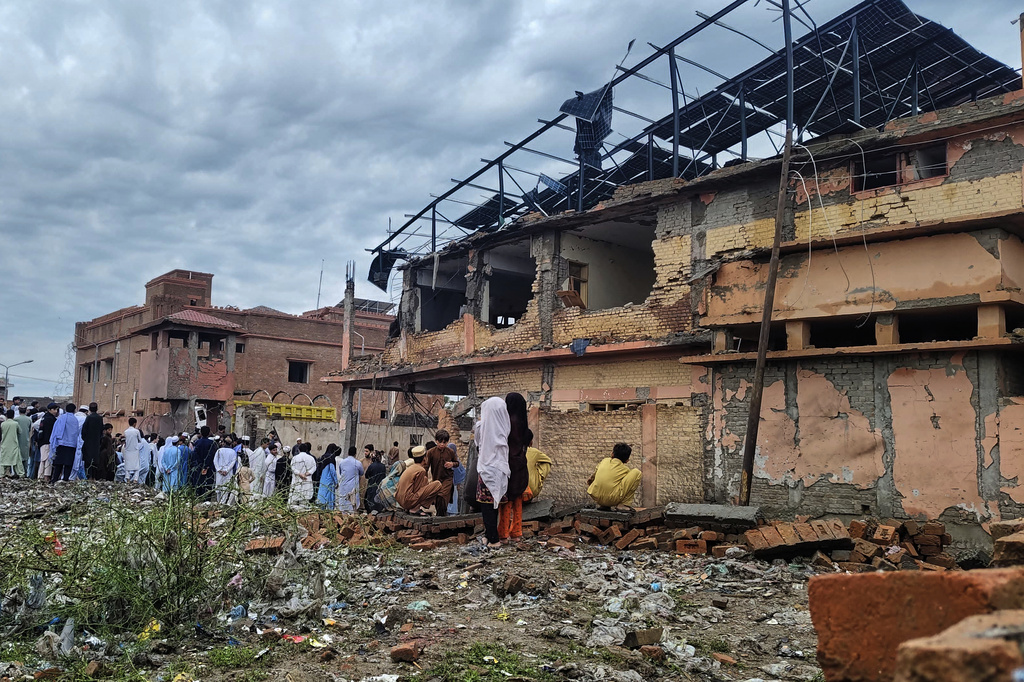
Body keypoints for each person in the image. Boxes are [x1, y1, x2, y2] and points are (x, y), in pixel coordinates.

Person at [475, 397, 510, 547]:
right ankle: (492, 536)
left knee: (486, 506)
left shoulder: (480, 426)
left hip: (486, 468)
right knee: (495, 505)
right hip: (501, 468)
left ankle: (492, 538)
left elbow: (478, 443)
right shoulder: (505, 425)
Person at [500, 393, 531, 542]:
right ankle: (516, 533)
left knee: (505, 502)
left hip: (508, 465)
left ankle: (503, 534)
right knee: (517, 501)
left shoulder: (507, 423)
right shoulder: (523, 423)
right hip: (521, 466)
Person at [587, 443, 642, 509]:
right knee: (637, 472)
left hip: (595, 496)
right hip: (612, 499)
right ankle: (624, 505)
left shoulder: (604, 461)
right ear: (627, 460)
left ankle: (604, 506)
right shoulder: (625, 470)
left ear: (612, 454)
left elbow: (592, 478)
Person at [396, 445, 444, 515]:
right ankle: (415, 508)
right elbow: (417, 488)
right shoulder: (421, 470)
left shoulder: (411, 467)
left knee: (425, 480)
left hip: (400, 501)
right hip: (408, 501)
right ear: (424, 458)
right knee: (437, 484)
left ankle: (412, 507)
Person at [423, 429, 459, 516]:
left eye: (444, 442)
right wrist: (424, 478)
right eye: (440, 442)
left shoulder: (450, 452)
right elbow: (426, 467)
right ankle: (441, 516)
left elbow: (457, 463)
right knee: (438, 498)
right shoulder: (431, 452)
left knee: (442, 495)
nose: (442, 444)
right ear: (436, 441)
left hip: (448, 478)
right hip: (437, 478)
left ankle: (441, 517)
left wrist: (452, 464)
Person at [49, 404, 81, 483]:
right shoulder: (75, 420)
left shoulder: (61, 418)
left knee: (58, 463)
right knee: (68, 463)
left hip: (61, 443)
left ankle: (55, 478)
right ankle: (66, 478)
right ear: (74, 410)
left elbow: (56, 430)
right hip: (72, 444)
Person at [524, 428, 553, 501]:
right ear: (531, 442)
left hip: (511, 490)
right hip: (529, 490)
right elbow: (548, 461)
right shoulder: (533, 452)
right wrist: (540, 474)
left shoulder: (509, 451)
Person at [336, 446, 364, 513]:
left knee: (343, 503)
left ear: (348, 453)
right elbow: (362, 473)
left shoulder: (342, 462)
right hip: (353, 486)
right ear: (355, 454)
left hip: (344, 485)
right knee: (352, 503)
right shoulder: (358, 463)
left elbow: (340, 472)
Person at [288, 443, 316, 509]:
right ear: (306, 450)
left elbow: (292, 467)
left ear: (299, 450)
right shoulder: (311, 458)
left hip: (297, 480)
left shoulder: (295, 458)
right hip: (307, 479)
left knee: (294, 499)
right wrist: (308, 473)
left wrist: (299, 474)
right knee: (304, 500)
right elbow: (314, 467)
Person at [191, 426, 216, 496]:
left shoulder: (197, 442)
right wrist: (206, 465)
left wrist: (201, 464)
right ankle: (207, 498)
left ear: (201, 433)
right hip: (209, 467)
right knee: (208, 483)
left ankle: (198, 495)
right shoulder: (212, 443)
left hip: (199, 466)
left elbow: (195, 454)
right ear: (209, 433)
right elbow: (211, 455)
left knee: (199, 482)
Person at [213, 438, 239, 505]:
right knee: (225, 489)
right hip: (227, 473)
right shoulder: (233, 452)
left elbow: (215, 461)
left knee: (219, 488)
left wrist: (219, 470)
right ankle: (223, 503)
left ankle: (219, 502)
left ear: (224, 443)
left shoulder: (219, 450)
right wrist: (226, 470)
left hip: (220, 472)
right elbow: (233, 463)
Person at [81, 403, 103, 479]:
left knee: (88, 460)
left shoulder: (88, 418)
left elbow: (84, 430)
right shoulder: (100, 418)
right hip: (96, 442)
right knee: (95, 460)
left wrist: (85, 439)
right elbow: (101, 431)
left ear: (89, 409)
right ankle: (94, 477)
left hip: (88, 442)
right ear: (97, 409)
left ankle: (88, 476)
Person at [38, 403, 58, 481]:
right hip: (48, 441)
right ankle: (46, 476)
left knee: (43, 459)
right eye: (54, 409)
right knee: (48, 459)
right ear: (49, 410)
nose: (55, 411)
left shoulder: (44, 417)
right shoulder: (51, 419)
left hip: (42, 441)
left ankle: (40, 476)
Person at [0, 409, 24, 477]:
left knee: (3, 459)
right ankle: (20, 473)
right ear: (13, 416)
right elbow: (20, 432)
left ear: (6, 415)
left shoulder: (3, 424)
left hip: (4, 443)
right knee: (17, 460)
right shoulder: (15, 423)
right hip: (14, 444)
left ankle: (2, 473)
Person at [122, 417, 142, 483]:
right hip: (135, 450)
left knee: (127, 465)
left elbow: (125, 441)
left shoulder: (126, 432)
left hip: (128, 450)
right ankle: (135, 480)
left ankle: (127, 479)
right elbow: (140, 440)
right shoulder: (136, 431)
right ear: (134, 424)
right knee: (137, 466)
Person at [14, 408, 30, 476]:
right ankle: (25, 473)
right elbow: (30, 431)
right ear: (26, 410)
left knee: (17, 457)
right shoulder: (29, 419)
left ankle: (16, 473)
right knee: (25, 458)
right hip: (26, 441)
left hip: (17, 440)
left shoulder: (16, 419)